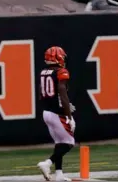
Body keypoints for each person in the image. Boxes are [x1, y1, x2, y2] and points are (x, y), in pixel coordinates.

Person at [37, 46, 76, 181]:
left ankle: (59, 174)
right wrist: (69, 116)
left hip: (46, 112)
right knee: (69, 142)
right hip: (57, 113)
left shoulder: (44, 72)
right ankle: (47, 163)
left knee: (59, 142)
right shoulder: (61, 71)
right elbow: (62, 92)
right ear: (58, 57)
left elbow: (43, 94)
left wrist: (64, 105)